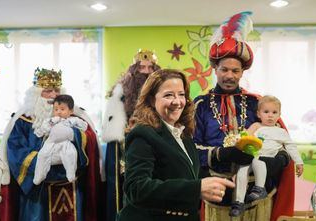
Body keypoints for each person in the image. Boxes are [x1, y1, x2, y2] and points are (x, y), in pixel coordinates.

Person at [193, 12, 295, 221]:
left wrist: (281, 159)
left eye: (235, 71)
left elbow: (280, 137)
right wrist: (223, 154)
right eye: (224, 69)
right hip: (218, 198)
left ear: (242, 72)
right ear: (215, 69)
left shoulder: (256, 103)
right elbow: (191, 150)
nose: (229, 75)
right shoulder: (200, 106)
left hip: (259, 198)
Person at [118, 69, 236, 221]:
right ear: (151, 100)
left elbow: (190, 175)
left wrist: (225, 184)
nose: (177, 101)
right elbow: (137, 188)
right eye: (168, 95)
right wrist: (197, 188)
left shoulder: (184, 134)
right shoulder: (142, 134)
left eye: (181, 94)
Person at [0, 68, 104, 221]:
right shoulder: (22, 121)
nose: (53, 95)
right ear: (36, 93)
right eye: (47, 91)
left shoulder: (75, 116)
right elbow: (15, 151)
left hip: (71, 186)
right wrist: (44, 161)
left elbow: (90, 139)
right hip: (37, 192)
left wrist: (73, 135)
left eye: (56, 90)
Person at [102, 49, 161, 221]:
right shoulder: (121, 94)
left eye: (150, 67)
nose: (146, 71)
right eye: (141, 67)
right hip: (125, 149)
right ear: (134, 69)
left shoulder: (160, 92)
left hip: (155, 146)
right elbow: (115, 123)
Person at [232, 95, 304, 217]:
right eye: (266, 112)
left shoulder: (281, 132)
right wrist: (237, 140)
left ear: (279, 115)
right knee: (241, 170)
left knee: (257, 162)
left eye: (274, 112)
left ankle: (260, 188)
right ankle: (239, 202)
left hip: (266, 160)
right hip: (252, 156)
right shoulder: (256, 126)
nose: (270, 115)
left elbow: (291, 146)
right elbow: (246, 136)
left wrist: (299, 162)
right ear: (259, 114)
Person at [33, 94, 88, 185]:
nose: (58, 112)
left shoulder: (72, 120)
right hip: (50, 143)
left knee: (71, 154)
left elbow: (84, 126)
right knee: (42, 155)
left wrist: (74, 122)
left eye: (62, 109)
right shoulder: (50, 120)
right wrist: (50, 123)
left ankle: (71, 174)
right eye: (56, 109)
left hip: (65, 143)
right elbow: (42, 131)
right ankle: (39, 175)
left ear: (70, 111)